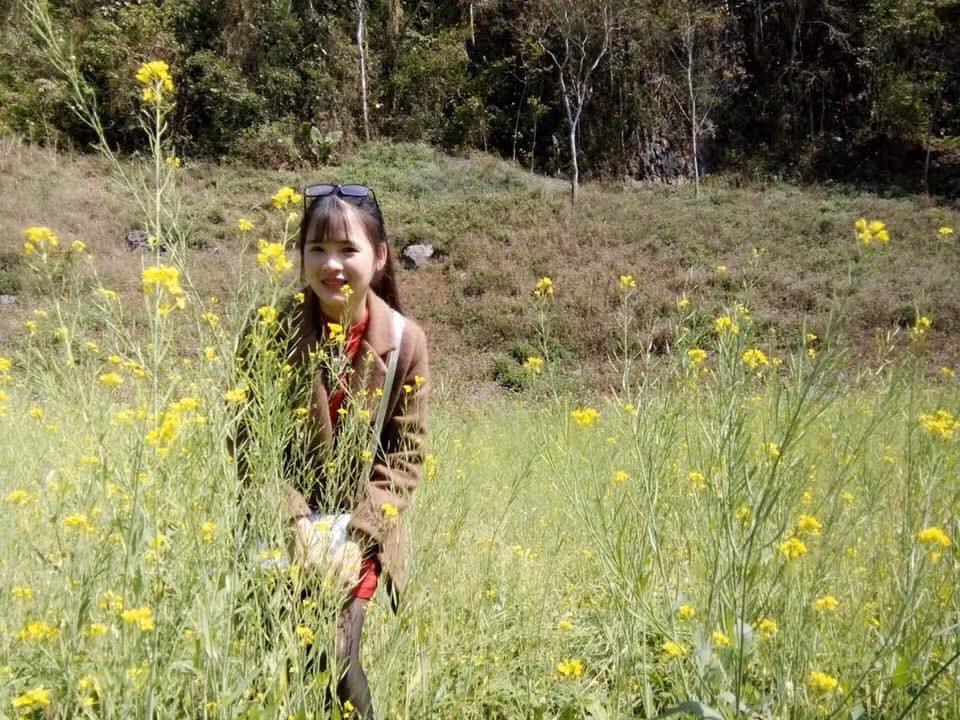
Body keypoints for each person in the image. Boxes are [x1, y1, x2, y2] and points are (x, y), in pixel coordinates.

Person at [234, 183, 429, 719]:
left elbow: (405, 458)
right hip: (282, 525)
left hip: (361, 533)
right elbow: (245, 436)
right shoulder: (268, 330)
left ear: (380, 256)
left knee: (338, 660)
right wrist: (292, 517)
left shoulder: (405, 341)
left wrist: (356, 538)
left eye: (348, 249)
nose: (331, 264)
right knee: (273, 662)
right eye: (317, 249)